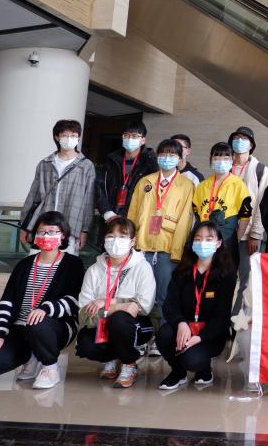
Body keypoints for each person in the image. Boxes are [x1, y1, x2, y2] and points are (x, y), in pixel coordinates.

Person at [0, 211, 85, 389]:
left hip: (54, 326)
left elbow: (75, 300)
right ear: (35, 235)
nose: (47, 236)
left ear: (63, 235)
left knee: (37, 324)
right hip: (21, 327)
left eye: (53, 231)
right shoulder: (24, 265)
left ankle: (50, 368)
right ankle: (32, 355)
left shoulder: (73, 264)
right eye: (42, 232)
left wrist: (46, 309)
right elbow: (6, 303)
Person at [75, 217, 156, 388]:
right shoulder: (94, 270)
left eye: (122, 237)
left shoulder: (142, 267)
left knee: (120, 320)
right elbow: (83, 314)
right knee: (85, 344)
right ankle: (113, 356)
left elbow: (142, 307)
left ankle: (129, 364)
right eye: (111, 236)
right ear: (104, 239)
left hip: (136, 325)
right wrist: (119, 306)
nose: (115, 241)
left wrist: (107, 302)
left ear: (132, 241)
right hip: (101, 324)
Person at [156, 221, 237, 390]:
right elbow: (170, 305)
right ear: (192, 243)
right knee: (164, 334)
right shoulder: (182, 270)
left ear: (218, 243)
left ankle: (204, 368)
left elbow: (222, 316)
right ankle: (178, 372)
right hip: (185, 328)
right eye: (198, 239)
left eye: (209, 239)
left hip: (210, 334)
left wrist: (201, 337)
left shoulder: (226, 274)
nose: (203, 243)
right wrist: (180, 323)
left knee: (192, 360)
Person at [126, 139, 195, 333]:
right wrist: (130, 243)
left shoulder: (187, 185)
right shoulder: (145, 181)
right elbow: (132, 213)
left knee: (165, 295)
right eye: (163, 154)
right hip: (142, 245)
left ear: (180, 159)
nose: (167, 158)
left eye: (172, 155)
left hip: (167, 248)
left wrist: (176, 251)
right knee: (139, 294)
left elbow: (185, 220)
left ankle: (162, 335)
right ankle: (140, 335)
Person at [20, 119, 95, 254]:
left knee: (65, 264)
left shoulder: (86, 166)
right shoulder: (45, 164)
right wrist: (25, 226)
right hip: (43, 226)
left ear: (78, 138)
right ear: (57, 137)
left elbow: (88, 201)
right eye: (64, 135)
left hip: (70, 226)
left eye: (73, 135)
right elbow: (33, 196)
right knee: (37, 261)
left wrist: (84, 230)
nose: (69, 139)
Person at [192, 142, 252, 266]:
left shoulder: (238, 185)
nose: (221, 162)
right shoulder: (202, 185)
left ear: (232, 159)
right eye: (217, 158)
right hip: (204, 241)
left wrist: (237, 238)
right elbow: (197, 212)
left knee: (226, 272)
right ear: (210, 159)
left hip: (227, 238)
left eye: (226, 158)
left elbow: (245, 216)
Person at [96, 120, 158, 228]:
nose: (129, 139)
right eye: (126, 135)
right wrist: (107, 213)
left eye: (134, 136)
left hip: (135, 220)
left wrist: (126, 216)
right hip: (109, 219)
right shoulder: (112, 159)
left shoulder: (150, 163)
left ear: (143, 140)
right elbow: (99, 186)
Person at [229, 126, 268, 253]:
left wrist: (256, 233)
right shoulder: (225, 166)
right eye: (236, 138)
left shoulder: (260, 170)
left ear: (251, 145)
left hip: (248, 235)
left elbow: (263, 203)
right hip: (225, 231)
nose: (239, 141)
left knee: (246, 266)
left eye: (244, 138)